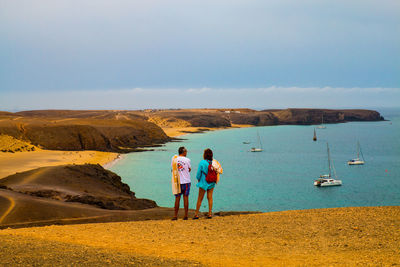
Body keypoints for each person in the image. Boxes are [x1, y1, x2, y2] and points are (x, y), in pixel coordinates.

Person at [193, 148, 223, 219]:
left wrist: (198, 179)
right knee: (210, 197)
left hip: (203, 183)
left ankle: (196, 214)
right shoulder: (213, 162)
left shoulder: (202, 162)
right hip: (212, 182)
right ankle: (210, 213)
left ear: (205, 155)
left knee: (200, 198)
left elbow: (198, 175)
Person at [171, 146, 191, 220]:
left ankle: (175, 216)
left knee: (177, 198)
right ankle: (185, 215)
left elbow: (172, 169)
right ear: (184, 152)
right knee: (186, 198)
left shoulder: (174, 159)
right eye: (186, 151)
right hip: (186, 181)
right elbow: (189, 169)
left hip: (177, 182)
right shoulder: (187, 160)